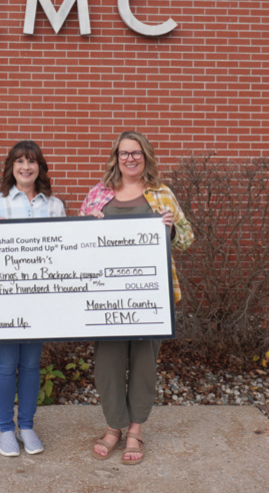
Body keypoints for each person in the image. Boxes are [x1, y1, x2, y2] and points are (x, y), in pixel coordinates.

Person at [79, 130, 194, 465]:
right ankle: (113, 426)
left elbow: (187, 239)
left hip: (150, 298)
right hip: (105, 297)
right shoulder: (99, 194)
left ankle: (135, 430)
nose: (130, 158)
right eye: (124, 153)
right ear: (116, 157)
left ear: (146, 157)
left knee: (144, 364)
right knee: (108, 364)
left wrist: (171, 229)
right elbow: (74, 239)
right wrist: (88, 224)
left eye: (137, 153)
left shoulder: (161, 193)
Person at [0, 140, 66, 457]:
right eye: (19, 162)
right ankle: (5, 430)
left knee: (31, 366)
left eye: (32, 161)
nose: (26, 167)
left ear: (40, 167)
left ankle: (26, 426)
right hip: (3, 300)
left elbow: (66, 249)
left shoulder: (53, 206)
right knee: (5, 366)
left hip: (40, 300)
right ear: (11, 167)